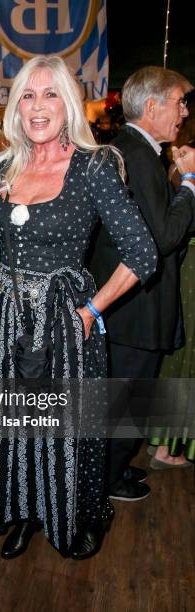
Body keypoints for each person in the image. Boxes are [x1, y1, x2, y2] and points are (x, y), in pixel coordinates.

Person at [0, 55, 158, 561]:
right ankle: (27, 514)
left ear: (68, 103)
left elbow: (143, 255)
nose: (37, 106)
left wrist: (88, 314)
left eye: (50, 94)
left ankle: (84, 515)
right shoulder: (1, 168)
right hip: (9, 321)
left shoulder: (94, 166)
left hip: (65, 322)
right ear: (16, 107)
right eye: (27, 95)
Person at [90, 67, 195, 500]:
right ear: (152, 107)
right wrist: (190, 182)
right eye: (179, 102)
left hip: (131, 309)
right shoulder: (135, 155)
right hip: (133, 312)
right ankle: (102, 485)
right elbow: (164, 238)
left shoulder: (137, 151)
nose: (184, 111)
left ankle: (112, 474)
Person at [148, 88, 195, 467]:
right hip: (189, 269)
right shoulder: (186, 163)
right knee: (185, 357)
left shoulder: (178, 161)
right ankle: (166, 445)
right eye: (178, 104)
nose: (181, 111)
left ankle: (161, 439)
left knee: (179, 356)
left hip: (183, 268)